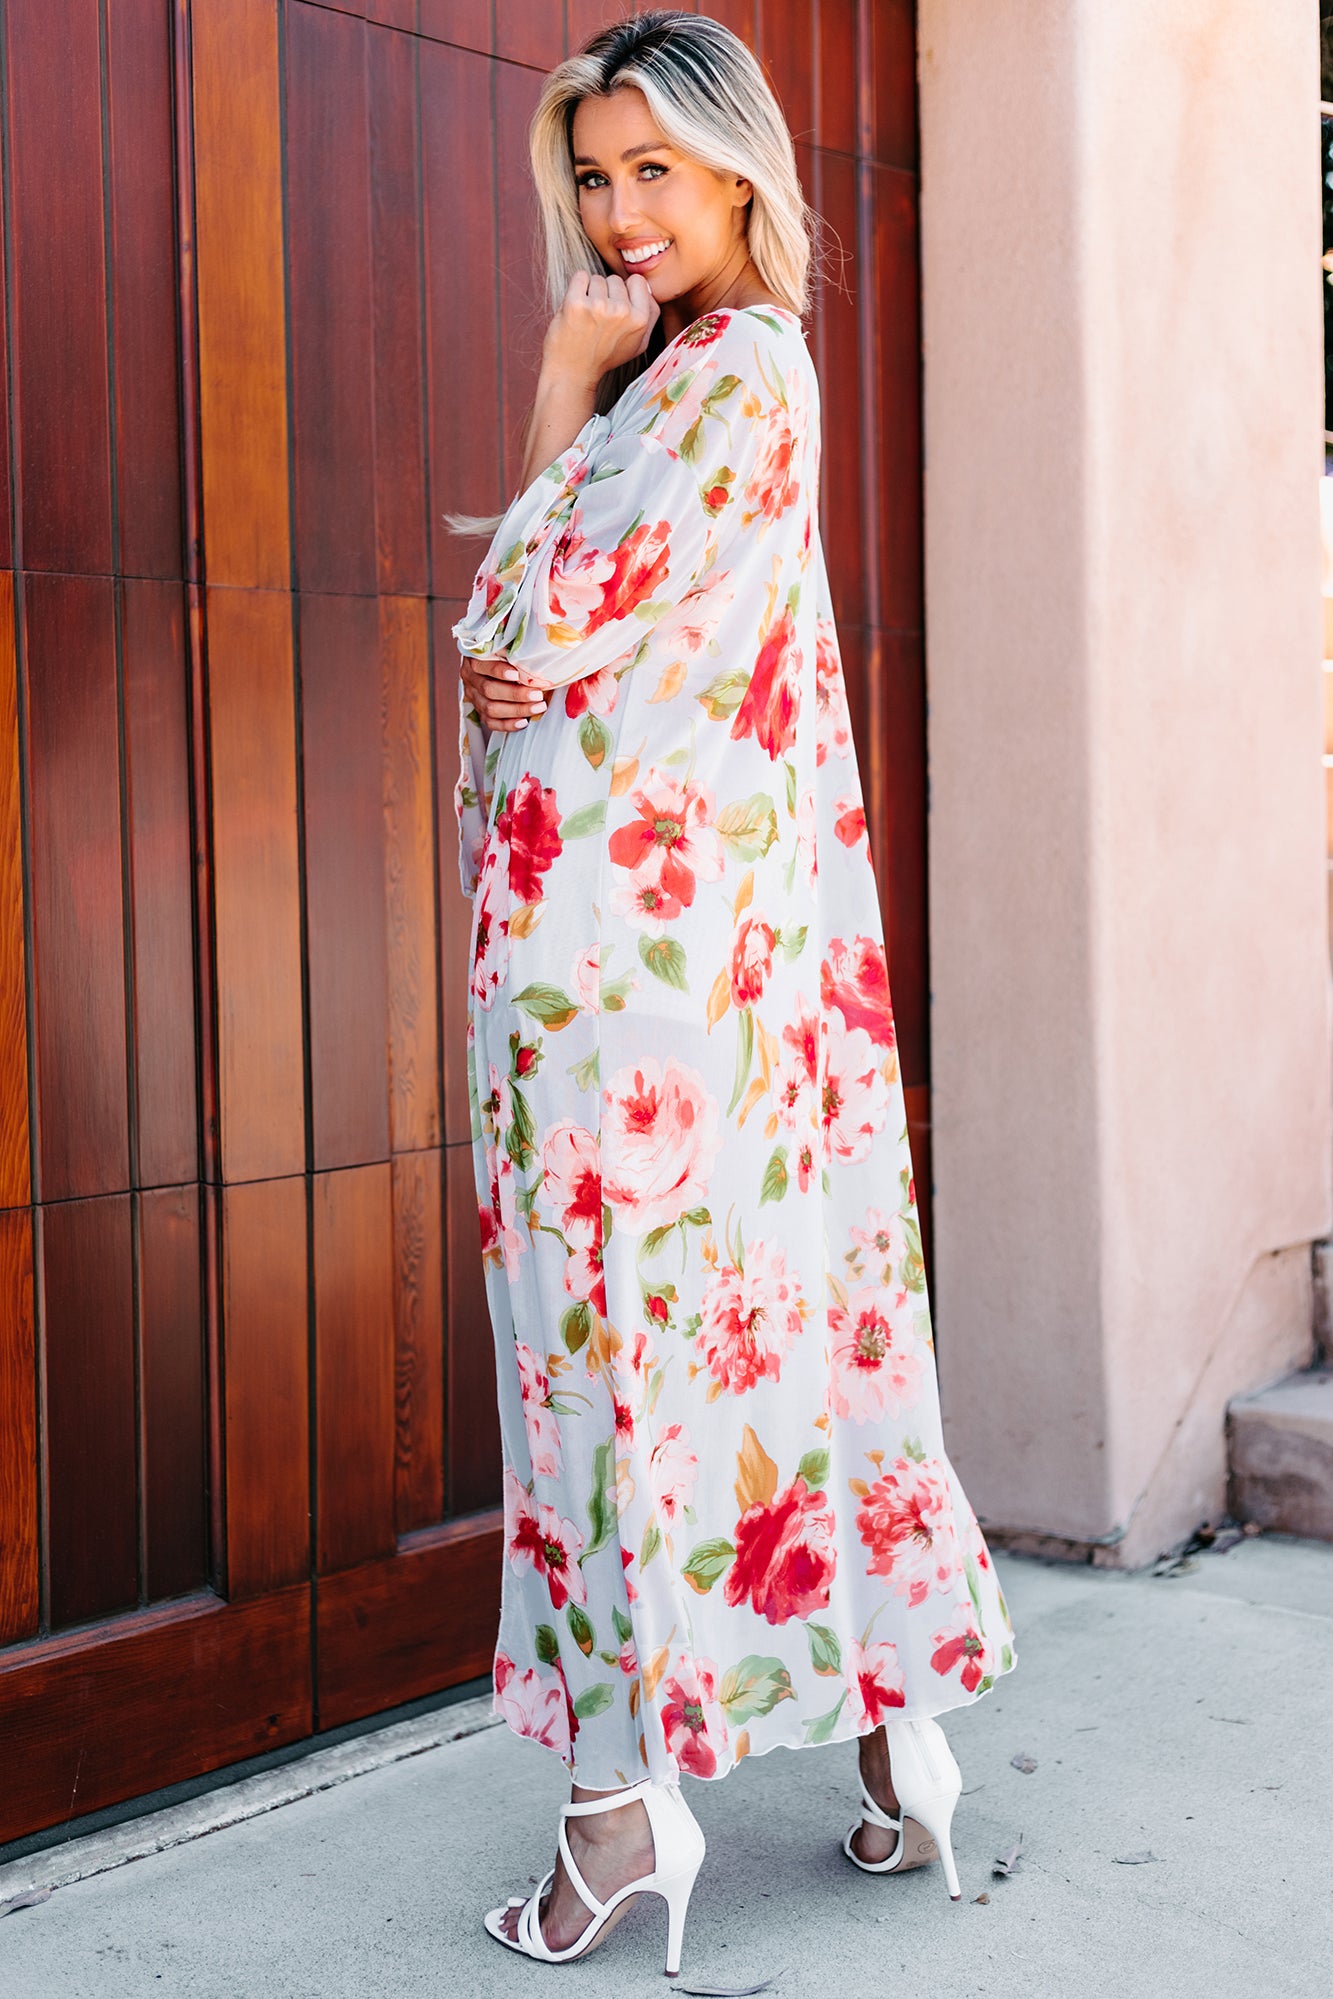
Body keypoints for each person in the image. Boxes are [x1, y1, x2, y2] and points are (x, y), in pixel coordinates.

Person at [450, 10, 1015, 1973]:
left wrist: (554, 375)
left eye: (652, 172)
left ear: (736, 172)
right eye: (592, 177)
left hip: (622, 987)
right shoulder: (707, 376)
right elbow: (543, 642)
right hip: (682, 973)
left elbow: (518, 620)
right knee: (779, 1346)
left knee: (606, 1373)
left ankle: (615, 1813)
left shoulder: (721, 376)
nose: (619, 214)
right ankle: (894, 1749)